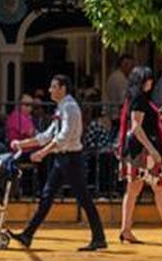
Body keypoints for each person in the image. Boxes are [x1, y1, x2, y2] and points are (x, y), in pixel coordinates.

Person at [10, 74, 107, 251]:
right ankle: (27, 234)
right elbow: (47, 136)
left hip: (71, 159)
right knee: (47, 196)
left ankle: (99, 237)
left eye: (53, 87)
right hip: (62, 159)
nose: (50, 90)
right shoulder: (61, 107)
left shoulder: (69, 108)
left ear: (62, 89)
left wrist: (43, 152)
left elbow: (63, 138)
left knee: (83, 199)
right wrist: (22, 144)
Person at [119, 67, 162, 244]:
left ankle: (126, 229)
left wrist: (157, 116)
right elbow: (137, 127)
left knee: (134, 191)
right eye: (147, 79)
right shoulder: (139, 99)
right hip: (145, 151)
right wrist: (153, 151)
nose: (151, 83)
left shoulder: (135, 98)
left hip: (137, 151)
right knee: (159, 187)